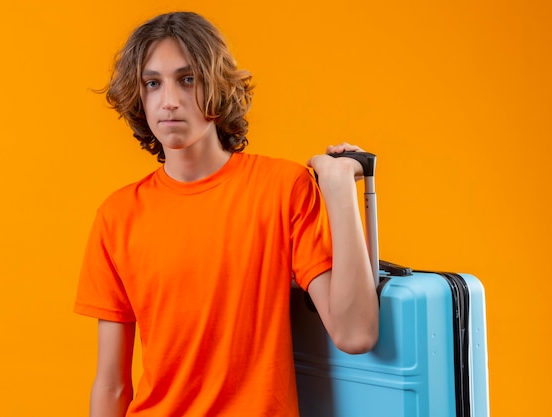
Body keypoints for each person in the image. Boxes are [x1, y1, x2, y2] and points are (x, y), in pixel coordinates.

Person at [74, 11, 379, 417]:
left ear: (216, 86)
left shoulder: (282, 188)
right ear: (139, 96)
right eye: (152, 83)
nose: (169, 100)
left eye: (187, 79)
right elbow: (112, 384)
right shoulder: (117, 216)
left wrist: (338, 186)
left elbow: (356, 333)